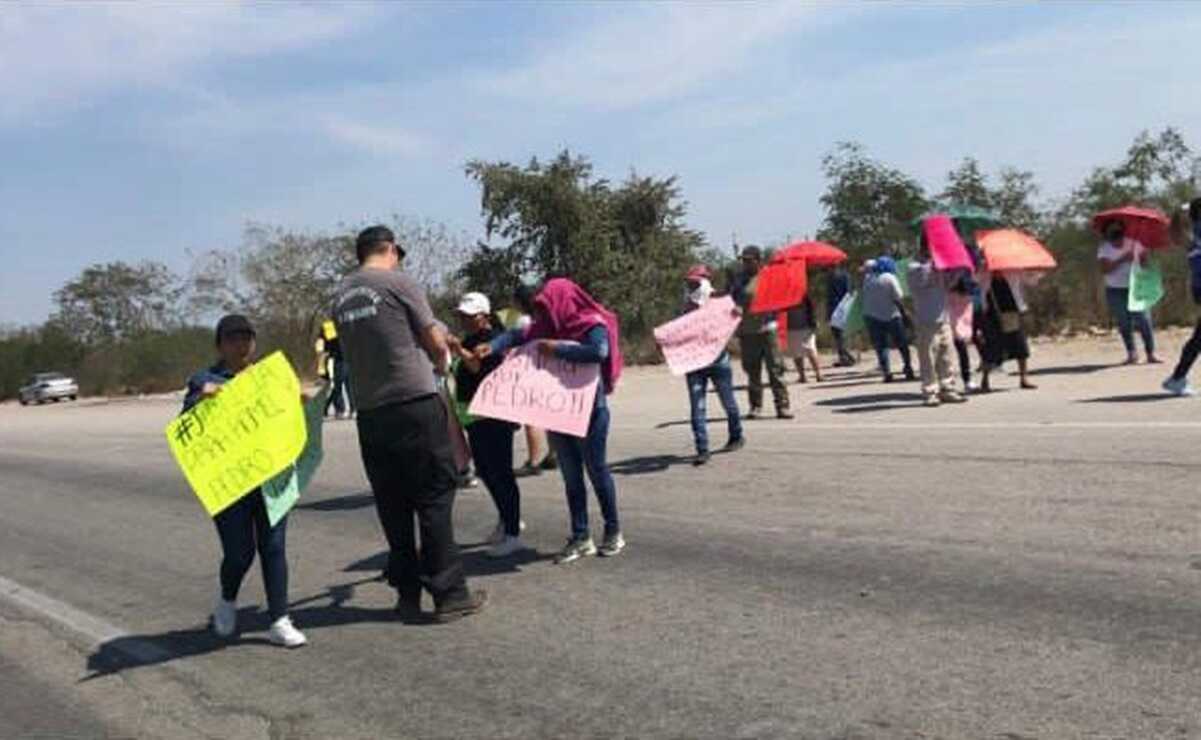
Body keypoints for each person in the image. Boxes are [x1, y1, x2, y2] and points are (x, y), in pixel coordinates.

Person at [334, 225, 486, 622]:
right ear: (390, 250)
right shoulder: (398, 283)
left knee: (393, 504)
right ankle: (450, 592)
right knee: (435, 496)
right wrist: (441, 364)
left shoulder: (340, 297)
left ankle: (407, 594)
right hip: (414, 403)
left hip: (370, 413)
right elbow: (434, 342)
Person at [479, 278, 625, 564]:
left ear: (563, 299)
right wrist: (493, 345)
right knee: (571, 477)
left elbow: (598, 352)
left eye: (546, 305)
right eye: (539, 308)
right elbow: (517, 335)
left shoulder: (591, 323)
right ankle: (581, 536)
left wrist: (557, 349)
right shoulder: (547, 326)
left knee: (596, 471)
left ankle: (613, 531)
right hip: (557, 414)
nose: (542, 313)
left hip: (590, 413)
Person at [183, 314, 306, 647]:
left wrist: (298, 402)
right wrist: (201, 397)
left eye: (246, 337)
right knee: (239, 553)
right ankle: (227, 600)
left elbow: (290, 417)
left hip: (270, 476)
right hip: (230, 484)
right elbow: (187, 425)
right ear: (220, 344)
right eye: (233, 337)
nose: (241, 343)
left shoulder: (268, 376)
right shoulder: (204, 379)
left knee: (274, 546)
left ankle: (280, 618)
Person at [449, 292, 528, 557]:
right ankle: (506, 519)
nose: (464, 320)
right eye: (462, 315)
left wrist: (458, 350)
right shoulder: (469, 339)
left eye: (469, 316)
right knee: (485, 469)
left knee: (501, 472)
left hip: (494, 414)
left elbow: (476, 367)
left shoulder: (494, 338)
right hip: (473, 415)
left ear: (484, 316)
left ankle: (513, 530)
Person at [680, 265, 745, 466]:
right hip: (695, 362)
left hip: (717, 361)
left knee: (728, 402)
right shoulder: (687, 304)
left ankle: (736, 435)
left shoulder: (718, 301)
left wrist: (735, 311)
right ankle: (702, 448)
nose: (692, 285)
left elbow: (733, 315)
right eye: (690, 281)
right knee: (697, 406)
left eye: (696, 281)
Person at [731, 246, 793, 419]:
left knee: (776, 370)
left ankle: (782, 406)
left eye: (749, 260)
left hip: (768, 329)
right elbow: (731, 299)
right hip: (747, 331)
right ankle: (756, 406)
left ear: (758, 260)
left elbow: (782, 297)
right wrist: (735, 306)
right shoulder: (739, 280)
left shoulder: (769, 276)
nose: (745, 263)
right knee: (752, 371)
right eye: (743, 260)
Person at [1097, 219, 1161, 365]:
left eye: (1117, 228)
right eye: (1111, 229)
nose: (1115, 231)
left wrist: (1140, 260)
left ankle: (1151, 353)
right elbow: (1104, 269)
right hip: (1115, 289)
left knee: (1144, 320)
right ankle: (1132, 353)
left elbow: (1146, 264)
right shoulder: (1104, 248)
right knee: (1124, 322)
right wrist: (1123, 258)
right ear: (1106, 232)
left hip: (1136, 287)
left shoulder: (1134, 243)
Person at [908, 255, 968, 406]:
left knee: (946, 356)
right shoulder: (914, 267)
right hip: (926, 320)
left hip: (943, 318)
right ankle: (930, 391)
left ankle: (947, 388)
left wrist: (957, 271)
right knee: (928, 359)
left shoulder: (940, 267)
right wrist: (933, 266)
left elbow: (948, 285)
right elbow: (922, 281)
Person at [510, 284, 557, 477]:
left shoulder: (522, 321)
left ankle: (533, 461)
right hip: (549, 370)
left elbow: (515, 345)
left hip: (530, 371)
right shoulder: (543, 318)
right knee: (549, 415)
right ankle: (553, 454)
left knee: (531, 417)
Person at [1163, 197, 1201, 396]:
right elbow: (1175, 232)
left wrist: (1179, 212)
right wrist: (1180, 212)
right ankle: (1177, 378)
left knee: (1199, 337)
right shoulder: (1194, 235)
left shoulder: (1192, 236)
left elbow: (1175, 232)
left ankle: (1177, 377)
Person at [977, 271, 1036, 392]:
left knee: (1020, 346)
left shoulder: (1013, 272)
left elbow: (1030, 280)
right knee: (991, 347)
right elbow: (977, 284)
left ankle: (1024, 378)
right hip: (991, 315)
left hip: (1011, 312)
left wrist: (1033, 271)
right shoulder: (984, 274)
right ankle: (985, 380)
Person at [861, 256, 915, 383]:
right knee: (902, 344)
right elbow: (898, 298)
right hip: (892, 316)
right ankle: (908, 368)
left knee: (881, 346)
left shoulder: (868, 279)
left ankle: (887, 373)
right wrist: (905, 314)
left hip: (872, 317)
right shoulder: (890, 278)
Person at [320, 320, 354, 420]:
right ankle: (349, 409)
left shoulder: (331, 325)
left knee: (340, 386)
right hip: (344, 357)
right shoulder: (346, 323)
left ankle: (342, 410)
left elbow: (329, 343)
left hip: (341, 358)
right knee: (345, 386)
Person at [785, 294, 823, 383]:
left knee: (806, 351)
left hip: (801, 326)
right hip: (794, 326)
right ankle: (809, 375)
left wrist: (813, 321)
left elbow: (811, 307)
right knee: (805, 351)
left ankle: (815, 374)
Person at [826, 265, 856, 366]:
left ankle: (846, 356)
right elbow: (848, 292)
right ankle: (844, 356)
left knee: (838, 334)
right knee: (840, 334)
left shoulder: (832, 278)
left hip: (837, 307)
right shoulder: (845, 276)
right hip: (842, 307)